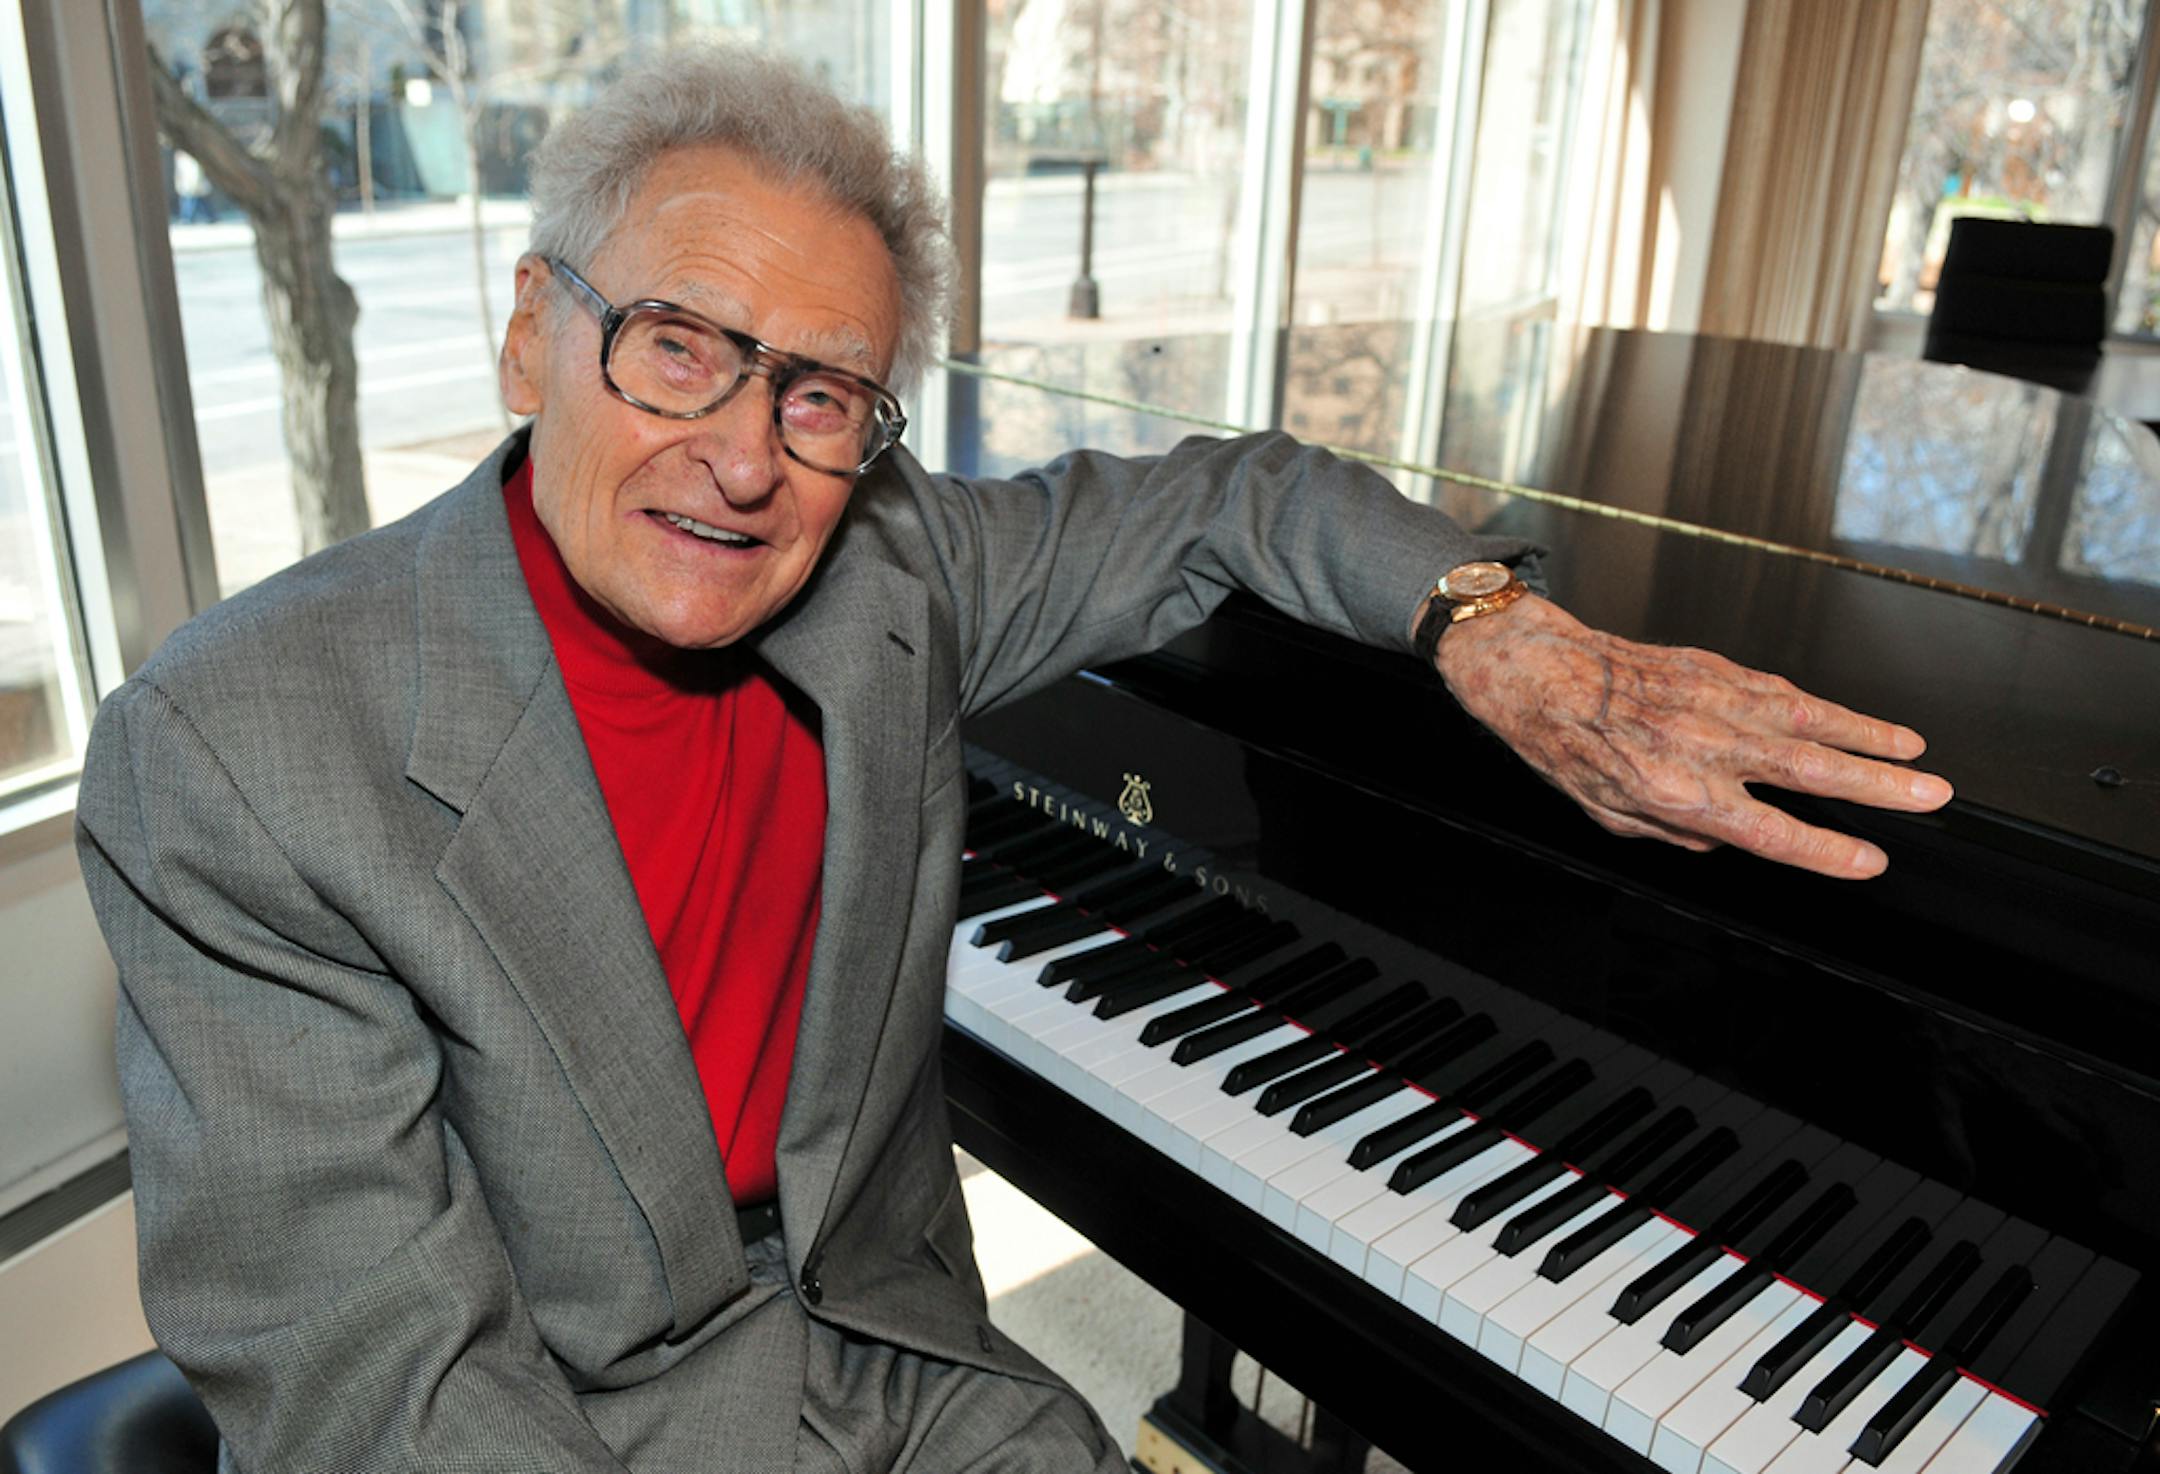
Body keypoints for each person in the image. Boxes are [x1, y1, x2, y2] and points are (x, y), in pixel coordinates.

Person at [75, 46, 1952, 1474]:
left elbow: (1233, 494)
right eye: (677, 349)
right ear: (527, 338)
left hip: (903, 1360)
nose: (746, 458)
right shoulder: (236, 758)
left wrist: (1492, 626)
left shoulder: (898, 565)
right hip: (565, 1417)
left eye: (818, 394)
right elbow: (382, 1390)